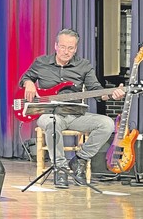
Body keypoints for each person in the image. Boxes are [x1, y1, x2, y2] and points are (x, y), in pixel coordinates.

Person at [19, 28, 125, 188]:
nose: (66, 51)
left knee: (107, 124)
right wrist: (28, 83)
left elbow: (96, 90)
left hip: (75, 115)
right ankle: (60, 168)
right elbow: (25, 78)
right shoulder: (41, 62)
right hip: (49, 114)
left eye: (70, 48)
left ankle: (80, 160)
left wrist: (111, 94)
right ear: (55, 46)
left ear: (75, 49)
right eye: (62, 47)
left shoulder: (84, 66)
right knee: (51, 122)